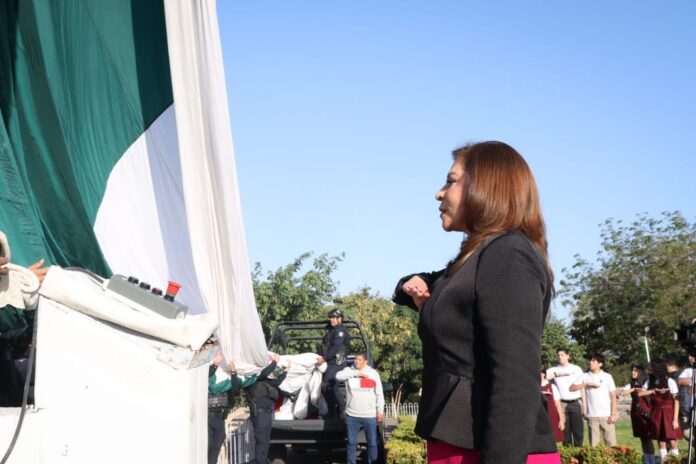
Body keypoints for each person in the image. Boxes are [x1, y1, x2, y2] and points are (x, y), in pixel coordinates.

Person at [392, 141, 559, 463]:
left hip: (492, 450)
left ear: (486, 187)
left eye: (450, 181)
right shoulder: (477, 257)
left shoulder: (507, 255)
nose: (439, 193)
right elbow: (420, 288)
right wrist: (417, 283)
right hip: (460, 443)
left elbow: (516, 378)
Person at [208, 351, 258, 464]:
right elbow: (207, 375)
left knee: (217, 444)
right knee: (208, 447)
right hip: (207, 417)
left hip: (219, 417)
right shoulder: (208, 378)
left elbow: (235, 387)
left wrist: (233, 372)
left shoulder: (227, 384)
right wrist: (215, 364)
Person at [336, 352, 385, 464]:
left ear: (365, 362)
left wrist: (380, 412)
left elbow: (379, 394)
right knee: (351, 443)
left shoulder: (373, 374)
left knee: (372, 443)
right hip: (352, 415)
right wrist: (356, 373)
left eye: (359, 360)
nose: (356, 361)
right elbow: (338, 376)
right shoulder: (349, 371)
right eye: (356, 359)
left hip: (369, 415)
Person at [244, 353, 287, 464]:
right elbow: (264, 373)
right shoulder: (251, 379)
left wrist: (286, 370)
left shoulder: (264, 382)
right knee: (261, 441)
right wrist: (274, 362)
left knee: (266, 442)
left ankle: (262, 461)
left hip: (267, 415)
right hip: (259, 415)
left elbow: (277, 381)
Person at [569, 355, 617, 446]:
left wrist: (613, 414)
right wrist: (586, 385)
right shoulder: (584, 376)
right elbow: (571, 388)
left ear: (600, 364)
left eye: (593, 361)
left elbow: (613, 397)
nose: (590, 362)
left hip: (606, 416)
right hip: (592, 416)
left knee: (611, 445)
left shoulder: (607, 376)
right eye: (590, 360)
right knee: (594, 446)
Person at [640, 360, 681, 460]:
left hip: (669, 413)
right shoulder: (650, 381)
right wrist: (653, 390)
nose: (650, 369)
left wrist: (675, 419)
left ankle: (676, 461)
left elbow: (676, 401)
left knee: (672, 440)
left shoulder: (670, 381)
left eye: (651, 367)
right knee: (661, 441)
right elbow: (640, 393)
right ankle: (664, 461)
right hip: (656, 413)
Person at [546, 348, 585, 446]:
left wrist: (584, 405)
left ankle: (578, 451)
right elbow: (544, 377)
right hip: (562, 403)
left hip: (576, 402)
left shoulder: (576, 369)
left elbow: (582, 386)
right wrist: (558, 374)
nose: (560, 357)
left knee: (578, 430)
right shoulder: (553, 370)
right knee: (565, 431)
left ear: (568, 356)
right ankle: (567, 452)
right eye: (558, 355)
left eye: (562, 355)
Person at [316, 308, 350, 418]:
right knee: (328, 387)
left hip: (337, 361)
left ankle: (341, 408)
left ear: (339, 319)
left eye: (333, 318)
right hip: (331, 362)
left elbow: (336, 348)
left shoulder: (340, 331)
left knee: (328, 386)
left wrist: (324, 358)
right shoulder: (332, 331)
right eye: (330, 318)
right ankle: (332, 411)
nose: (331, 320)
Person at [619, 365, 655, 464]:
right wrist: (633, 389)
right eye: (632, 370)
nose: (633, 372)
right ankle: (647, 460)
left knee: (648, 437)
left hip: (646, 411)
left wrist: (643, 391)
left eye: (635, 371)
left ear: (640, 372)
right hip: (636, 412)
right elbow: (622, 393)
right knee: (642, 438)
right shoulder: (631, 383)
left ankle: (652, 461)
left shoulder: (647, 382)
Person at [541, 370, 564, 443]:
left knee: (553, 438)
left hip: (551, 415)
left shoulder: (552, 386)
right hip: (539, 416)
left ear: (543, 374)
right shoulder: (533, 387)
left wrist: (561, 419)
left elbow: (557, 404)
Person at [677, 351, 695, 439]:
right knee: (686, 431)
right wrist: (692, 379)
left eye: (692, 356)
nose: (689, 357)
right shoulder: (688, 370)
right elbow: (680, 381)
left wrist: (689, 382)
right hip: (688, 407)